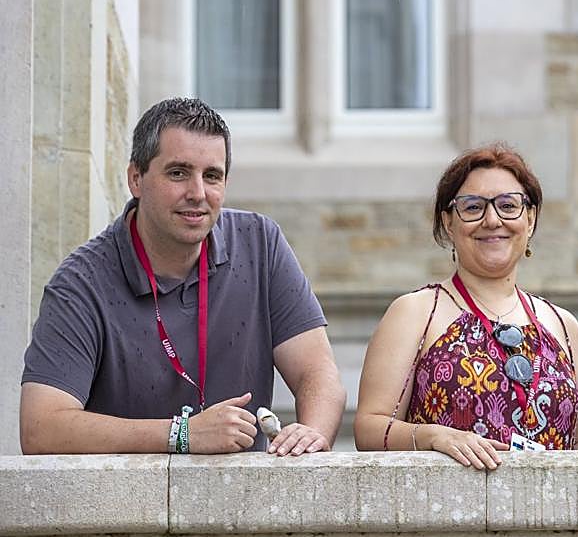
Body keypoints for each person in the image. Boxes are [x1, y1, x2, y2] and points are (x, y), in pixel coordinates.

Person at [20, 98, 346, 455]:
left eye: (212, 176)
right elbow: (41, 427)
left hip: (244, 501)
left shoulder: (260, 243)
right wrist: (182, 434)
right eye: (178, 173)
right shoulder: (81, 282)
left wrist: (311, 435)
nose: (197, 194)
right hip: (123, 505)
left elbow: (318, 372)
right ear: (136, 178)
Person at [355, 144, 578, 468]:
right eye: (473, 207)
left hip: (549, 516)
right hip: (450, 512)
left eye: (508, 206)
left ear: (529, 220)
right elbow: (370, 428)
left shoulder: (562, 324)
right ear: (449, 222)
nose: (492, 220)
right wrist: (434, 437)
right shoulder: (417, 312)